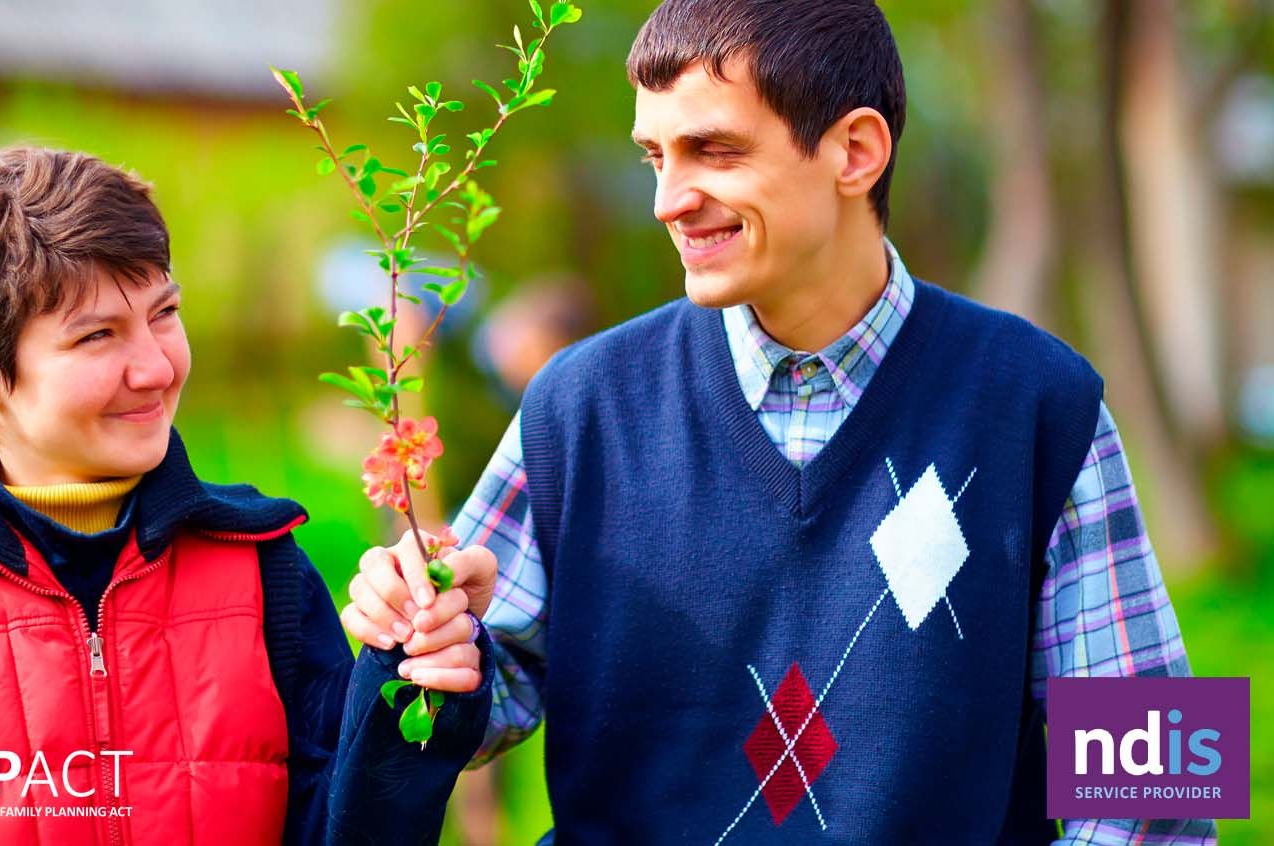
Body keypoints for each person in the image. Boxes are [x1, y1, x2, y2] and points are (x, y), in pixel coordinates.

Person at [340, 1, 1219, 842]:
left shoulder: (1045, 403)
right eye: (655, 158)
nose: (668, 201)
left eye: (714, 151)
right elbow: (482, 702)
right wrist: (429, 643)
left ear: (855, 151)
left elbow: (1156, 796)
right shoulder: (579, 406)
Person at [0, 145, 495, 845]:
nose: (154, 367)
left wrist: (412, 670)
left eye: (164, 314)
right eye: (96, 336)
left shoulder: (265, 569)